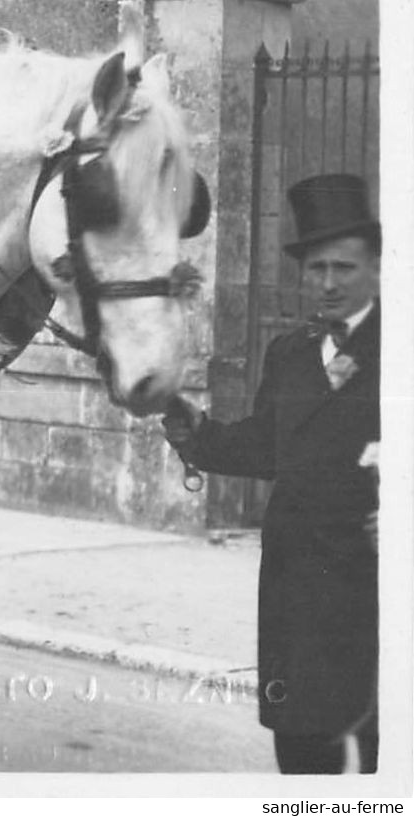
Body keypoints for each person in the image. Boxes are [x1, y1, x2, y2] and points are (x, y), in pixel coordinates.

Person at [162, 173, 380, 774]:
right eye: (317, 269)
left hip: (378, 600)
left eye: (345, 267)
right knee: (304, 758)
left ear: (375, 268)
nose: (330, 283)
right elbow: (262, 447)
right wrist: (192, 429)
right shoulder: (289, 354)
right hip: (298, 597)